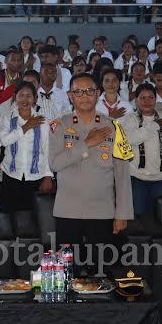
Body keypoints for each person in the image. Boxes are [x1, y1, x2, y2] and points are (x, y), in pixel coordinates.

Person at [47, 72, 133, 275]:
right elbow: (55, 164)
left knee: (101, 271)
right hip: (68, 211)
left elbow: (122, 175)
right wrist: (86, 144)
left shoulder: (114, 127)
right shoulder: (59, 125)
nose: (84, 96)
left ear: (97, 94)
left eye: (89, 91)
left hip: (102, 211)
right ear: (70, 96)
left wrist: (122, 214)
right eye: (78, 92)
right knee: (67, 272)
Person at [0, 82, 54, 212]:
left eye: (28, 96)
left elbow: (47, 149)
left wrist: (48, 176)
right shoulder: (7, 118)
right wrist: (26, 127)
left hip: (36, 177)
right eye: (21, 95)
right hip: (11, 175)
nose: (24, 100)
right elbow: (4, 141)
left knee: (32, 217)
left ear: (35, 99)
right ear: (15, 97)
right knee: (11, 215)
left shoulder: (42, 120)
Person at [125, 83, 162, 219]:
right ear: (136, 101)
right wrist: (154, 126)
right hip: (137, 177)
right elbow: (130, 139)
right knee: (138, 216)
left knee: (161, 217)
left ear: (156, 100)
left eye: (150, 97)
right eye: (142, 98)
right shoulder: (130, 119)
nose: (147, 101)